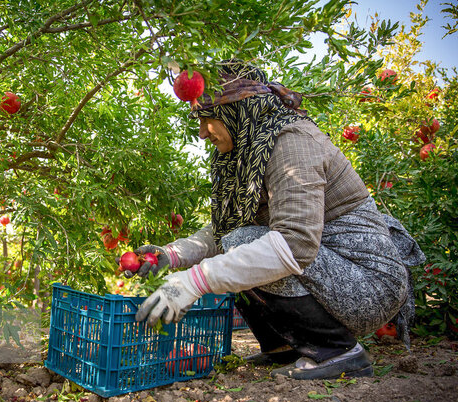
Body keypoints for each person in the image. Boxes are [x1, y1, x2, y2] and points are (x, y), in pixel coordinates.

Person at [128, 60, 426, 380]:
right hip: (332, 270)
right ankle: (283, 347)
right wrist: (172, 255)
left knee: (242, 244)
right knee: (236, 240)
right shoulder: (252, 150)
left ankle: (337, 351)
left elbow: (295, 242)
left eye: (206, 119)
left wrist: (194, 281)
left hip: (368, 282)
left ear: (236, 111)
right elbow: (224, 228)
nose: (201, 133)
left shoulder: (290, 140)